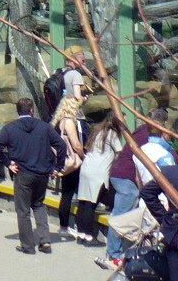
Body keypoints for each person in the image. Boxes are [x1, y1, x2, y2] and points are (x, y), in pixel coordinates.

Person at [0, 96, 66, 254]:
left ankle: (28, 246)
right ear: (32, 110)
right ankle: (45, 241)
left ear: (18, 111)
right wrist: (57, 167)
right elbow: (60, 145)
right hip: (41, 173)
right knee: (39, 205)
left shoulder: (10, 128)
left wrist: (7, 163)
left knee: (23, 210)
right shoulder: (44, 127)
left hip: (22, 172)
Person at [100, 116, 156, 270]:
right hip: (127, 177)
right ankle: (114, 254)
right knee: (121, 215)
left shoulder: (140, 132)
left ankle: (117, 251)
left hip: (120, 174)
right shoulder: (148, 137)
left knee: (123, 214)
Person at [75, 112, 122, 245]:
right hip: (98, 171)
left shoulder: (97, 130)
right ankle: (90, 237)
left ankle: (81, 235)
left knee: (83, 202)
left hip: (86, 168)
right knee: (91, 204)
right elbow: (120, 153)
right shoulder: (112, 134)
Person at [138, 154, 178, 281]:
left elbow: (147, 192)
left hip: (177, 234)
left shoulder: (171, 172)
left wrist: (166, 219)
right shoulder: (171, 172)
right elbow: (147, 193)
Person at [50, 95, 87, 239]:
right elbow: (76, 145)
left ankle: (64, 225)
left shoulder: (59, 121)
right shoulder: (69, 122)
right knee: (69, 194)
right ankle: (66, 226)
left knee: (66, 193)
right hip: (73, 162)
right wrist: (85, 157)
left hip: (64, 160)